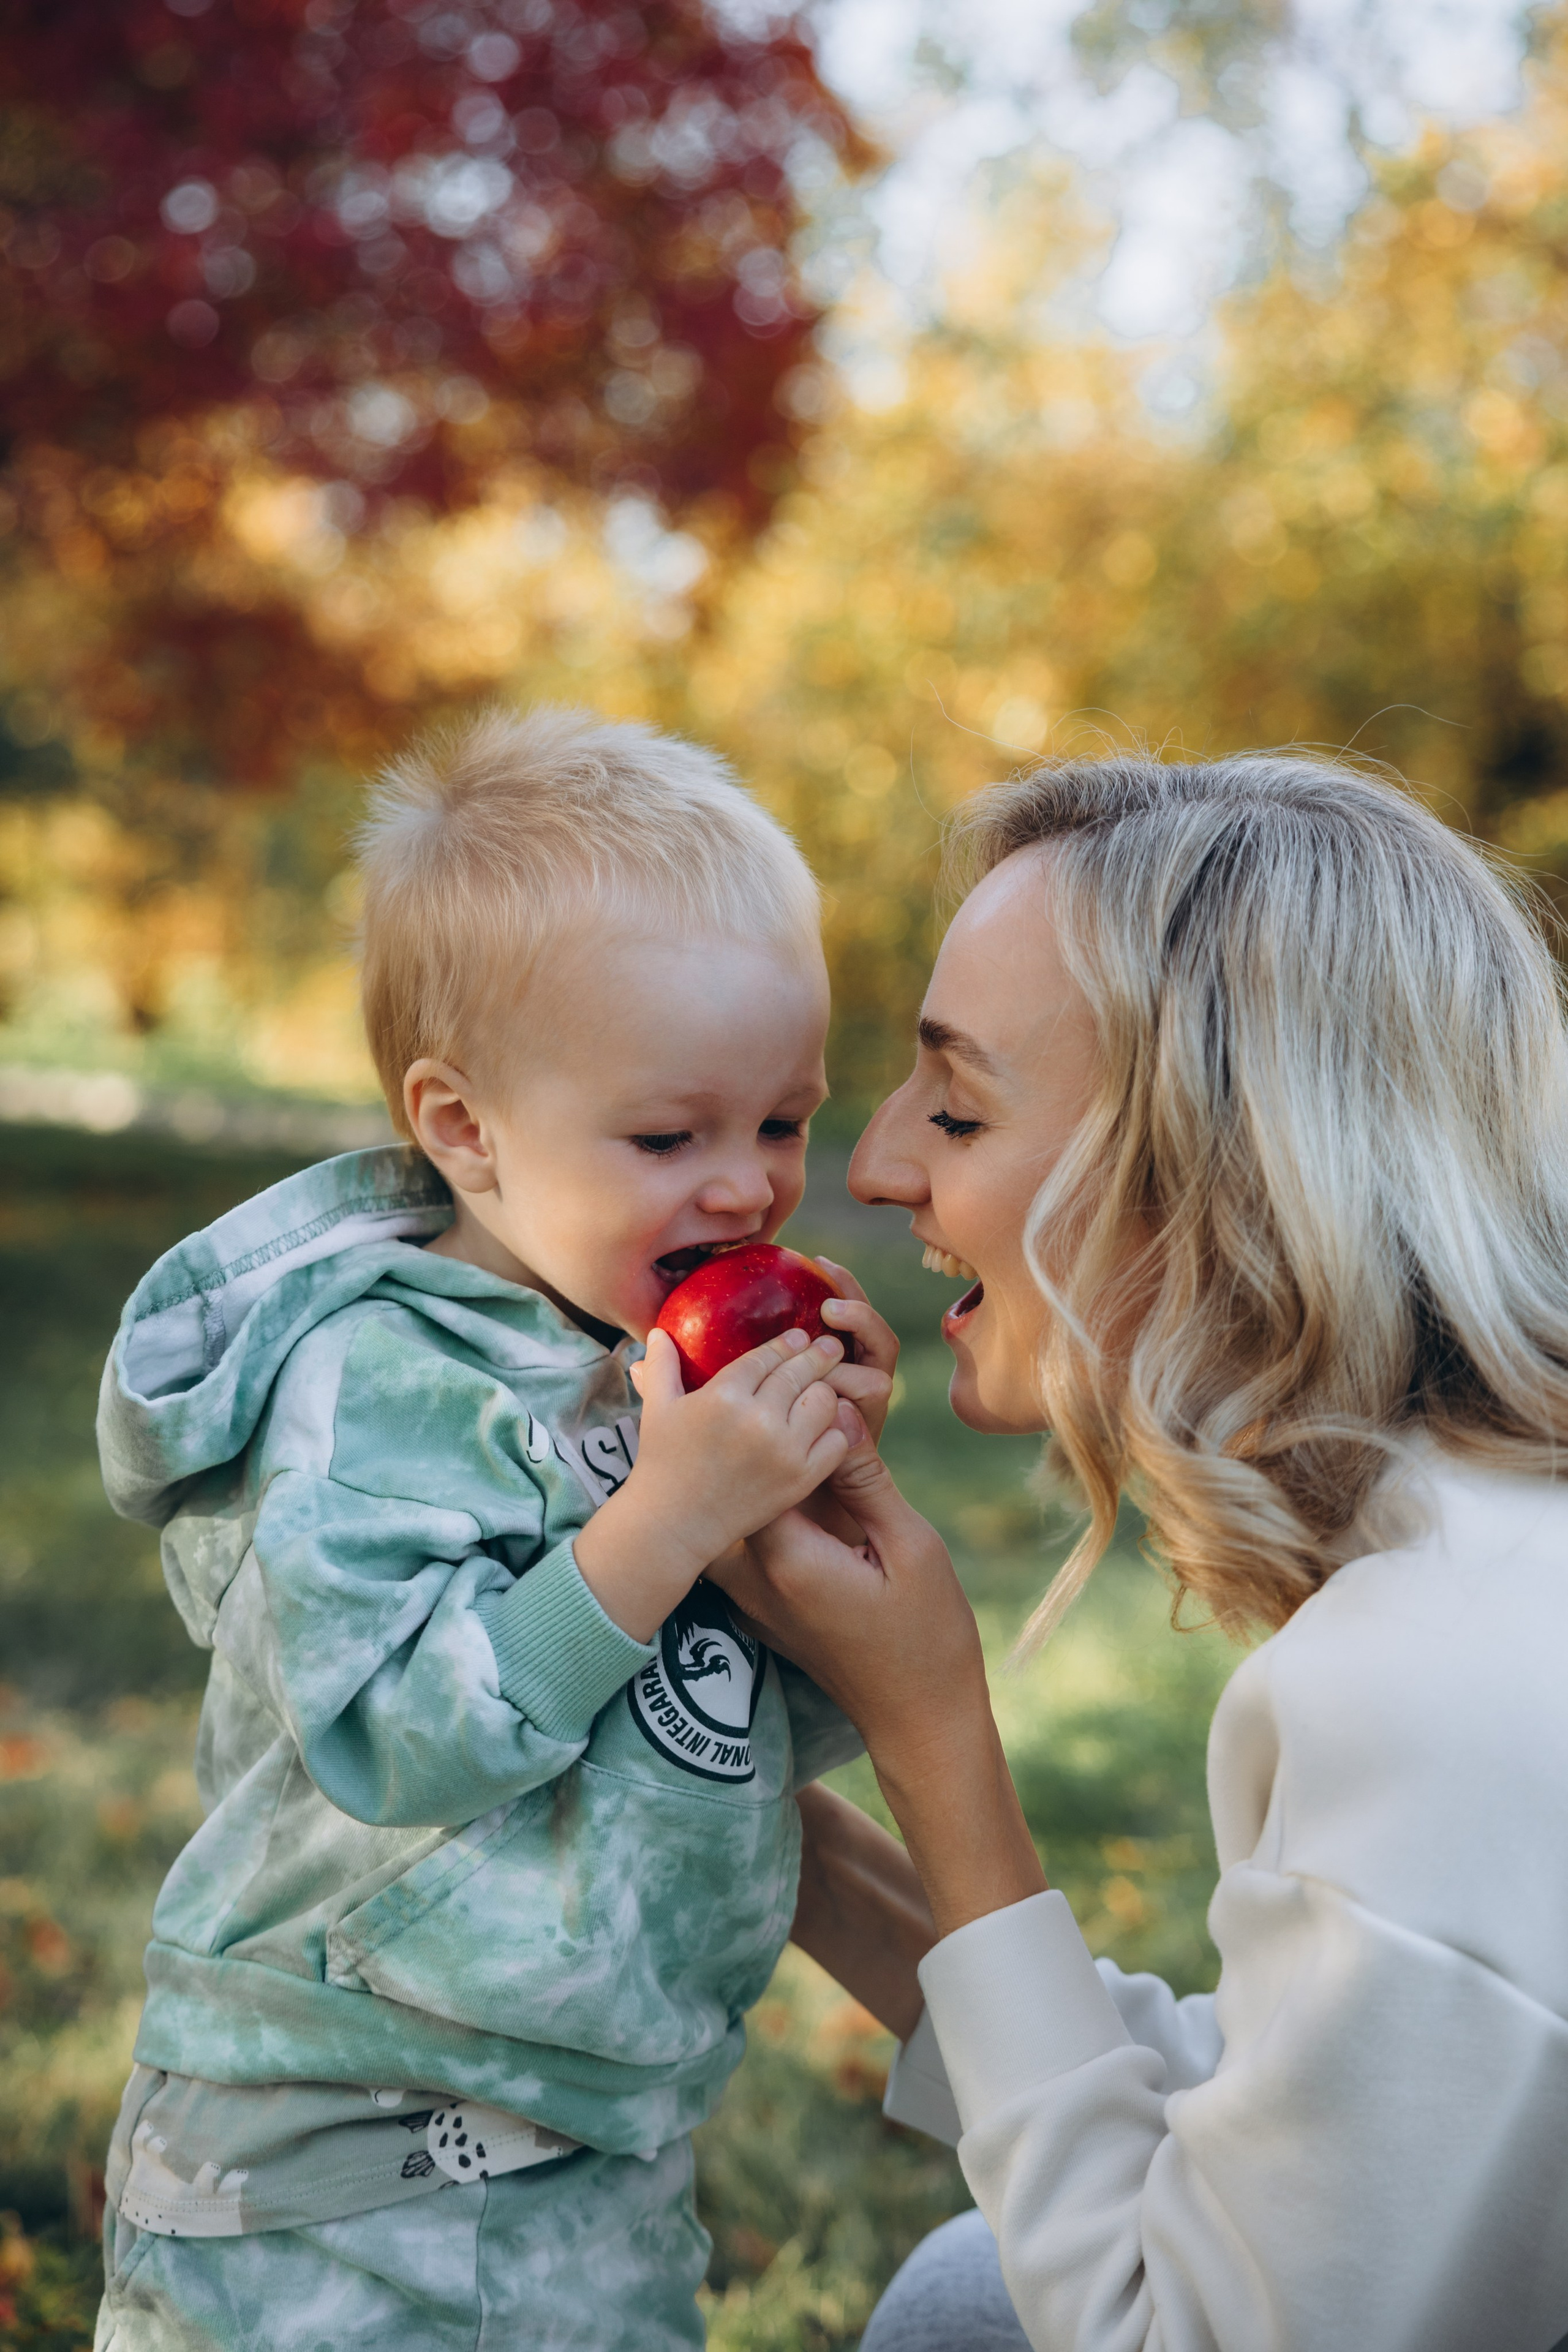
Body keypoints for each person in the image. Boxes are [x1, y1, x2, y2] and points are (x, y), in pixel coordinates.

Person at [718, 752, 1568, 2352]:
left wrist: (933, 1735)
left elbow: (1172, 2325)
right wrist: (751, 1813)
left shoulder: (1422, 1695)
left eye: (958, 1106)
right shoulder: (1498, 1562)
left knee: (965, 2311)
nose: (884, 1161)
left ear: (1213, 1180)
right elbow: (1322, 2140)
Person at [91, 706, 897, 2351]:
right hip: (326, 2153)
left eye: (782, 1123)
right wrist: (665, 1518)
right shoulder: (377, 1380)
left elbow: (730, 1748)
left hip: (595, 2134)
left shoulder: (646, 1373)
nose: (748, 1188)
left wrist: (797, 1498)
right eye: (671, 1136)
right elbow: (394, 1734)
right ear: (465, 1129)